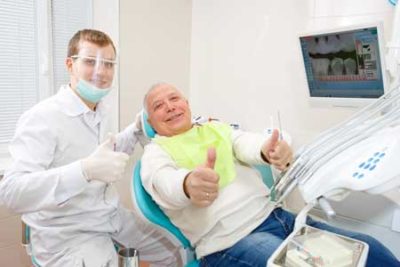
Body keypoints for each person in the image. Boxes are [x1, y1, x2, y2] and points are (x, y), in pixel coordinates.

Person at [140, 82, 400, 267]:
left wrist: (269, 150)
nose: (170, 107)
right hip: (229, 242)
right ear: (151, 123)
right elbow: (164, 183)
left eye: (174, 99)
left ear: (186, 103)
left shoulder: (215, 129)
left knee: (368, 249)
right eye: (158, 106)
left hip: (280, 219)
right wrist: (187, 184)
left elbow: (248, 144)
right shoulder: (155, 154)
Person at [0, 30, 180, 267]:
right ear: (69, 65)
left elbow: (106, 154)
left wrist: (135, 129)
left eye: (108, 63)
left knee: (175, 253)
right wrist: (84, 171)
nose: (100, 71)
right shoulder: (43, 118)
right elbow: (12, 193)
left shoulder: (101, 109)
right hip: (67, 234)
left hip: (110, 216)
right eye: (89, 61)